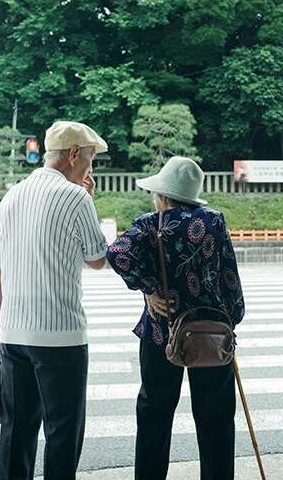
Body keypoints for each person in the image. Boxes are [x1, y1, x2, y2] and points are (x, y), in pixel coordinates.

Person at [106, 156, 245, 480]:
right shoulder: (213, 221)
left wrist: (149, 289)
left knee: (155, 412)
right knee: (216, 419)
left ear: (163, 195)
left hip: (162, 330)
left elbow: (117, 254)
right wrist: (233, 319)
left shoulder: (150, 224)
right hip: (211, 331)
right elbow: (228, 275)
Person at [0, 121, 109, 480]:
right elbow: (97, 259)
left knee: (17, 430)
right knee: (62, 432)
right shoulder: (76, 197)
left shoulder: (11, 196)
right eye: (90, 159)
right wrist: (89, 200)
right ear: (73, 155)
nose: (90, 169)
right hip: (61, 337)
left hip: (14, 334)